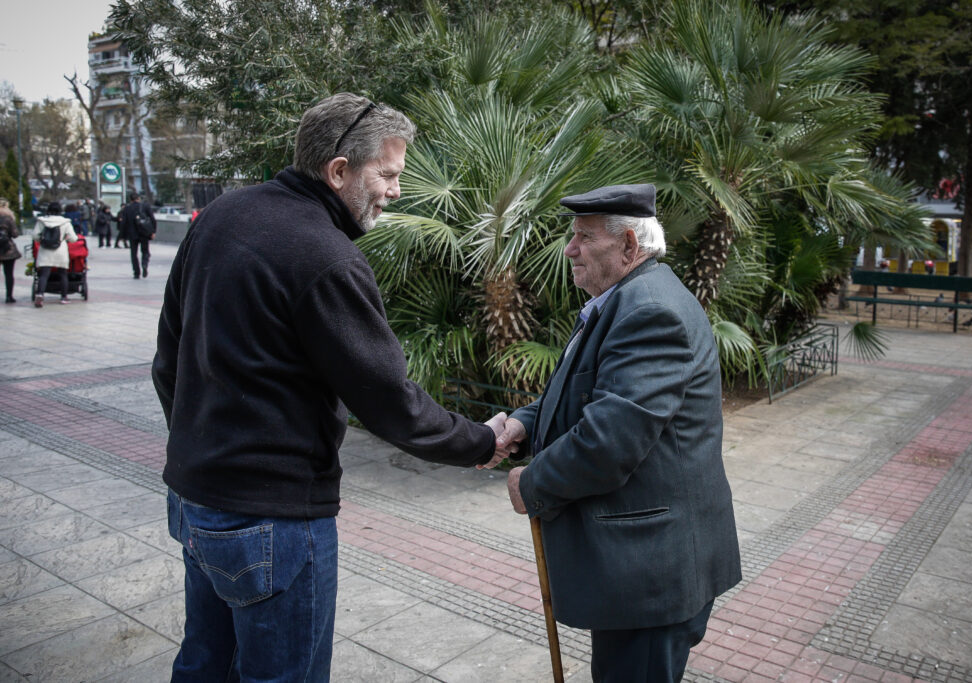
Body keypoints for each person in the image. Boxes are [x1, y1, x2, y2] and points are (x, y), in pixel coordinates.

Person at [151, 92, 514, 682]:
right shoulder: (325, 256)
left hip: (195, 501)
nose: (396, 191)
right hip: (272, 520)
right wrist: (479, 441)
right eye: (389, 175)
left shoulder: (221, 215)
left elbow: (168, 358)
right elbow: (389, 400)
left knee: (203, 667)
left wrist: (201, 449)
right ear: (339, 170)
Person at [493, 184, 742, 682]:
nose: (570, 249)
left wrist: (533, 483)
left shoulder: (650, 309)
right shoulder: (627, 298)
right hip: (642, 570)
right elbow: (585, 395)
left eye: (584, 237)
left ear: (629, 245)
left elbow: (608, 442)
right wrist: (524, 420)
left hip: (652, 577)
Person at [32, 201, 78, 306]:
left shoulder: (41, 221)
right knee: (62, 274)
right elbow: (73, 238)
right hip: (60, 250)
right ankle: (64, 297)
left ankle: (40, 294)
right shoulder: (65, 222)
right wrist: (65, 239)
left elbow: (35, 236)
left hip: (45, 249)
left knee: (44, 274)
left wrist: (42, 240)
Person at [121, 192, 156, 278]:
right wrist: (153, 231)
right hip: (144, 233)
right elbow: (152, 219)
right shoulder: (145, 206)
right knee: (145, 251)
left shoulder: (127, 208)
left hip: (132, 234)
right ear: (138, 198)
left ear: (130, 199)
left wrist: (123, 236)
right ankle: (144, 264)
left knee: (134, 253)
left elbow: (123, 223)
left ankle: (136, 273)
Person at [0, 200, 21, 303]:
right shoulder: (8, 219)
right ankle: (9, 296)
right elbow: (15, 234)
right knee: (9, 274)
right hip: (8, 249)